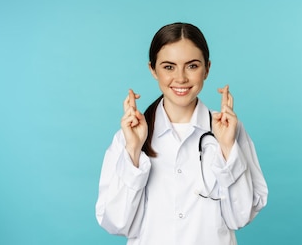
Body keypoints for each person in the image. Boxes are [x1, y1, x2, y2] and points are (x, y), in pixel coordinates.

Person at [95, 22, 268, 245]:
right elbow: (116, 223)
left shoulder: (228, 130)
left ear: (207, 68)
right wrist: (133, 152)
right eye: (168, 67)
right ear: (152, 69)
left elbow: (241, 217)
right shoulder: (129, 137)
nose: (181, 78)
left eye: (192, 66)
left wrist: (227, 150)